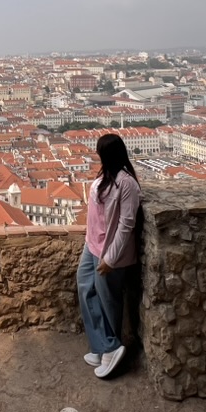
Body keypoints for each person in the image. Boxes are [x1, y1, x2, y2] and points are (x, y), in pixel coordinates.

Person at [77, 133, 142, 379]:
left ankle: (111, 349)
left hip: (108, 253)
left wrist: (110, 259)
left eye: (101, 152)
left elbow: (126, 225)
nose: (98, 155)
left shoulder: (127, 184)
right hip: (91, 246)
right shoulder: (105, 176)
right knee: (86, 291)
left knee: (108, 300)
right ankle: (102, 345)